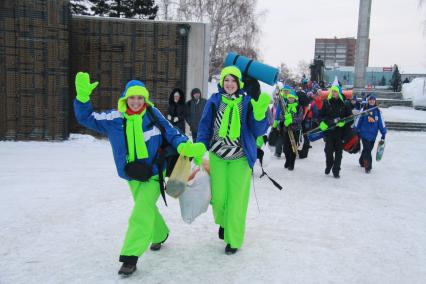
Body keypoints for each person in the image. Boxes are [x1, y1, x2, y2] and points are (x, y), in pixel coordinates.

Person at [73, 72, 205, 276]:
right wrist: (82, 98)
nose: (136, 102)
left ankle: (130, 257)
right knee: (146, 208)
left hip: (154, 173)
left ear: (145, 98)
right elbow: (86, 118)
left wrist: (186, 147)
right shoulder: (115, 118)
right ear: (125, 98)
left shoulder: (153, 115)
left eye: (140, 97)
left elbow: (172, 132)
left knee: (141, 212)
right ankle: (160, 234)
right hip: (131, 175)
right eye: (132, 97)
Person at [196, 66, 269, 255]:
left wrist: (261, 115)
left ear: (239, 83)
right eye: (226, 80)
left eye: (233, 80)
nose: (229, 84)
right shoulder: (214, 100)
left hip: (240, 158)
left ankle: (233, 239)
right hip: (217, 156)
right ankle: (224, 222)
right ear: (222, 82)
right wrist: (199, 146)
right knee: (219, 198)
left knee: (237, 200)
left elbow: (258, 130)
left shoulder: (247, 102)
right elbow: (205, 125)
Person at [319, 86, 352, 178]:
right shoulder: (326, 103)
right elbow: (320, 116)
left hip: (340, 133)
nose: (334, 93)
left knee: (339, 153)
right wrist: (322, 123)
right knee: (328, 151)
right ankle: (329, 164)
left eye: (336, 92)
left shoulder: (345, 104)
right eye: (332, 91)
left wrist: (344, 123)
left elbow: (351, 118)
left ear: (339, 93)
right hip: (329, 132)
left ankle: (336, 170)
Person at [273, 88, 303, 170]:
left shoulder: (299, 107)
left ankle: (291, 164)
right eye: (289, 98)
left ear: (295, 98)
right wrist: (285, 119)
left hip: (295, 130)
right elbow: (281, 115)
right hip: (286, 130)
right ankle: (287, 160)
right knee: (286, 148)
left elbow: (300, 118)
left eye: (292, 98)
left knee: (293, 147)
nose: (290, 99)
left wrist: (292, 120)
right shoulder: (285, 106)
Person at [355, 94, 387, 173]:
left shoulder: (377, 111)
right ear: (368, 101)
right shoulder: (364, 110)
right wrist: (356, 130)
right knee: (367, 149)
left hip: (373, 135)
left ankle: (361, 161)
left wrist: (383, 133)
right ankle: (368, 166)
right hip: (364, 134)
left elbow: (381, 123)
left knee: (367, 150)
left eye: (373, 100)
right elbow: (358, 120)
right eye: (370, 100)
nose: (372, 101)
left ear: (375, 101)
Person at [272, 85, 293, 158]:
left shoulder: (291, 98)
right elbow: (278, 110)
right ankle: (278, 152)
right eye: (285, 91)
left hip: (290, 120)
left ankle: (289, 151)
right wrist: (276, 120)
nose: (286, 92)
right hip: (281, 120)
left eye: (287, 91)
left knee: (290, 136)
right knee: (281, 136)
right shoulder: (281, 99)